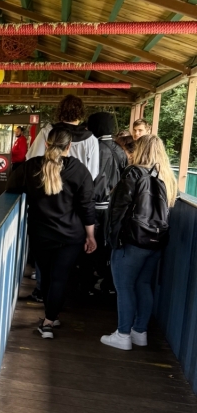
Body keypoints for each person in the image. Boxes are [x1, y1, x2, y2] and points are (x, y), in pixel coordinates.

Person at [8, 127, 96, 339]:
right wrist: (90, 235)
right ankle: (50, 319)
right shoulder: (79, 170)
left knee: (46, 276)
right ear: (69, 147)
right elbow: (87, 205)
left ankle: (49, 319)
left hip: (41, 233)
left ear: (46, 144)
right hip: (71, 235)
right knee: (60, 277)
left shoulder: (31, 167)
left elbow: (10, 187)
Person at [101, 135, 177, 350]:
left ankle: (123, 334)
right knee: (143, 285)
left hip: (132, 240)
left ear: (140, 150)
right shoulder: (167, 177)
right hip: (156, 241)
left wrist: (112, 238)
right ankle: (139, 332)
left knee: (124, 287)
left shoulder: (134, 172)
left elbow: (118, 209)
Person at [87, 111, 128, 295]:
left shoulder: (95, 146)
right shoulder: (119, 150)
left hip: (93, 206)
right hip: (112, 208)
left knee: (89, 244)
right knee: (106, 245)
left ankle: (88, 283)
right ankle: (106, 281)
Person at [26, 94, 99, 179]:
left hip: (49, 185)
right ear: (81, 113)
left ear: (60, 112)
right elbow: (93, 172)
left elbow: (32, 159)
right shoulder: (91, 139)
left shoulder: (47, 132)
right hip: (77, 187)